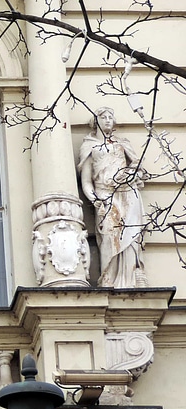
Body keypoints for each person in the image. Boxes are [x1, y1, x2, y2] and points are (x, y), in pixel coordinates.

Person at [78, 107, 146, 287]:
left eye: (110, 117)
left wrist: (130, 174)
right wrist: (95, 200)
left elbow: (137, 164)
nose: (108, 120)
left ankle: (131, 278)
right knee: (108, 234)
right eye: (103, 117)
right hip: (104, 196)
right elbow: (86, 181)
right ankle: (109, 279)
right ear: (96, 121)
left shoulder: (121, 143)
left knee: (131, 234)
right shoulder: (89, 147)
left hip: (127, 193)